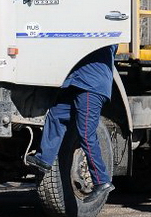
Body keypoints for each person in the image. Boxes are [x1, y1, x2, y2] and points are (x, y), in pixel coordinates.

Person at [26, 45, 117, 203]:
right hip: (77, 83)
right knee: (56, 114)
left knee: (86, 134)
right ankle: (44, 160)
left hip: (91, 86)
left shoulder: (103, 34)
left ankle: (102, 181)